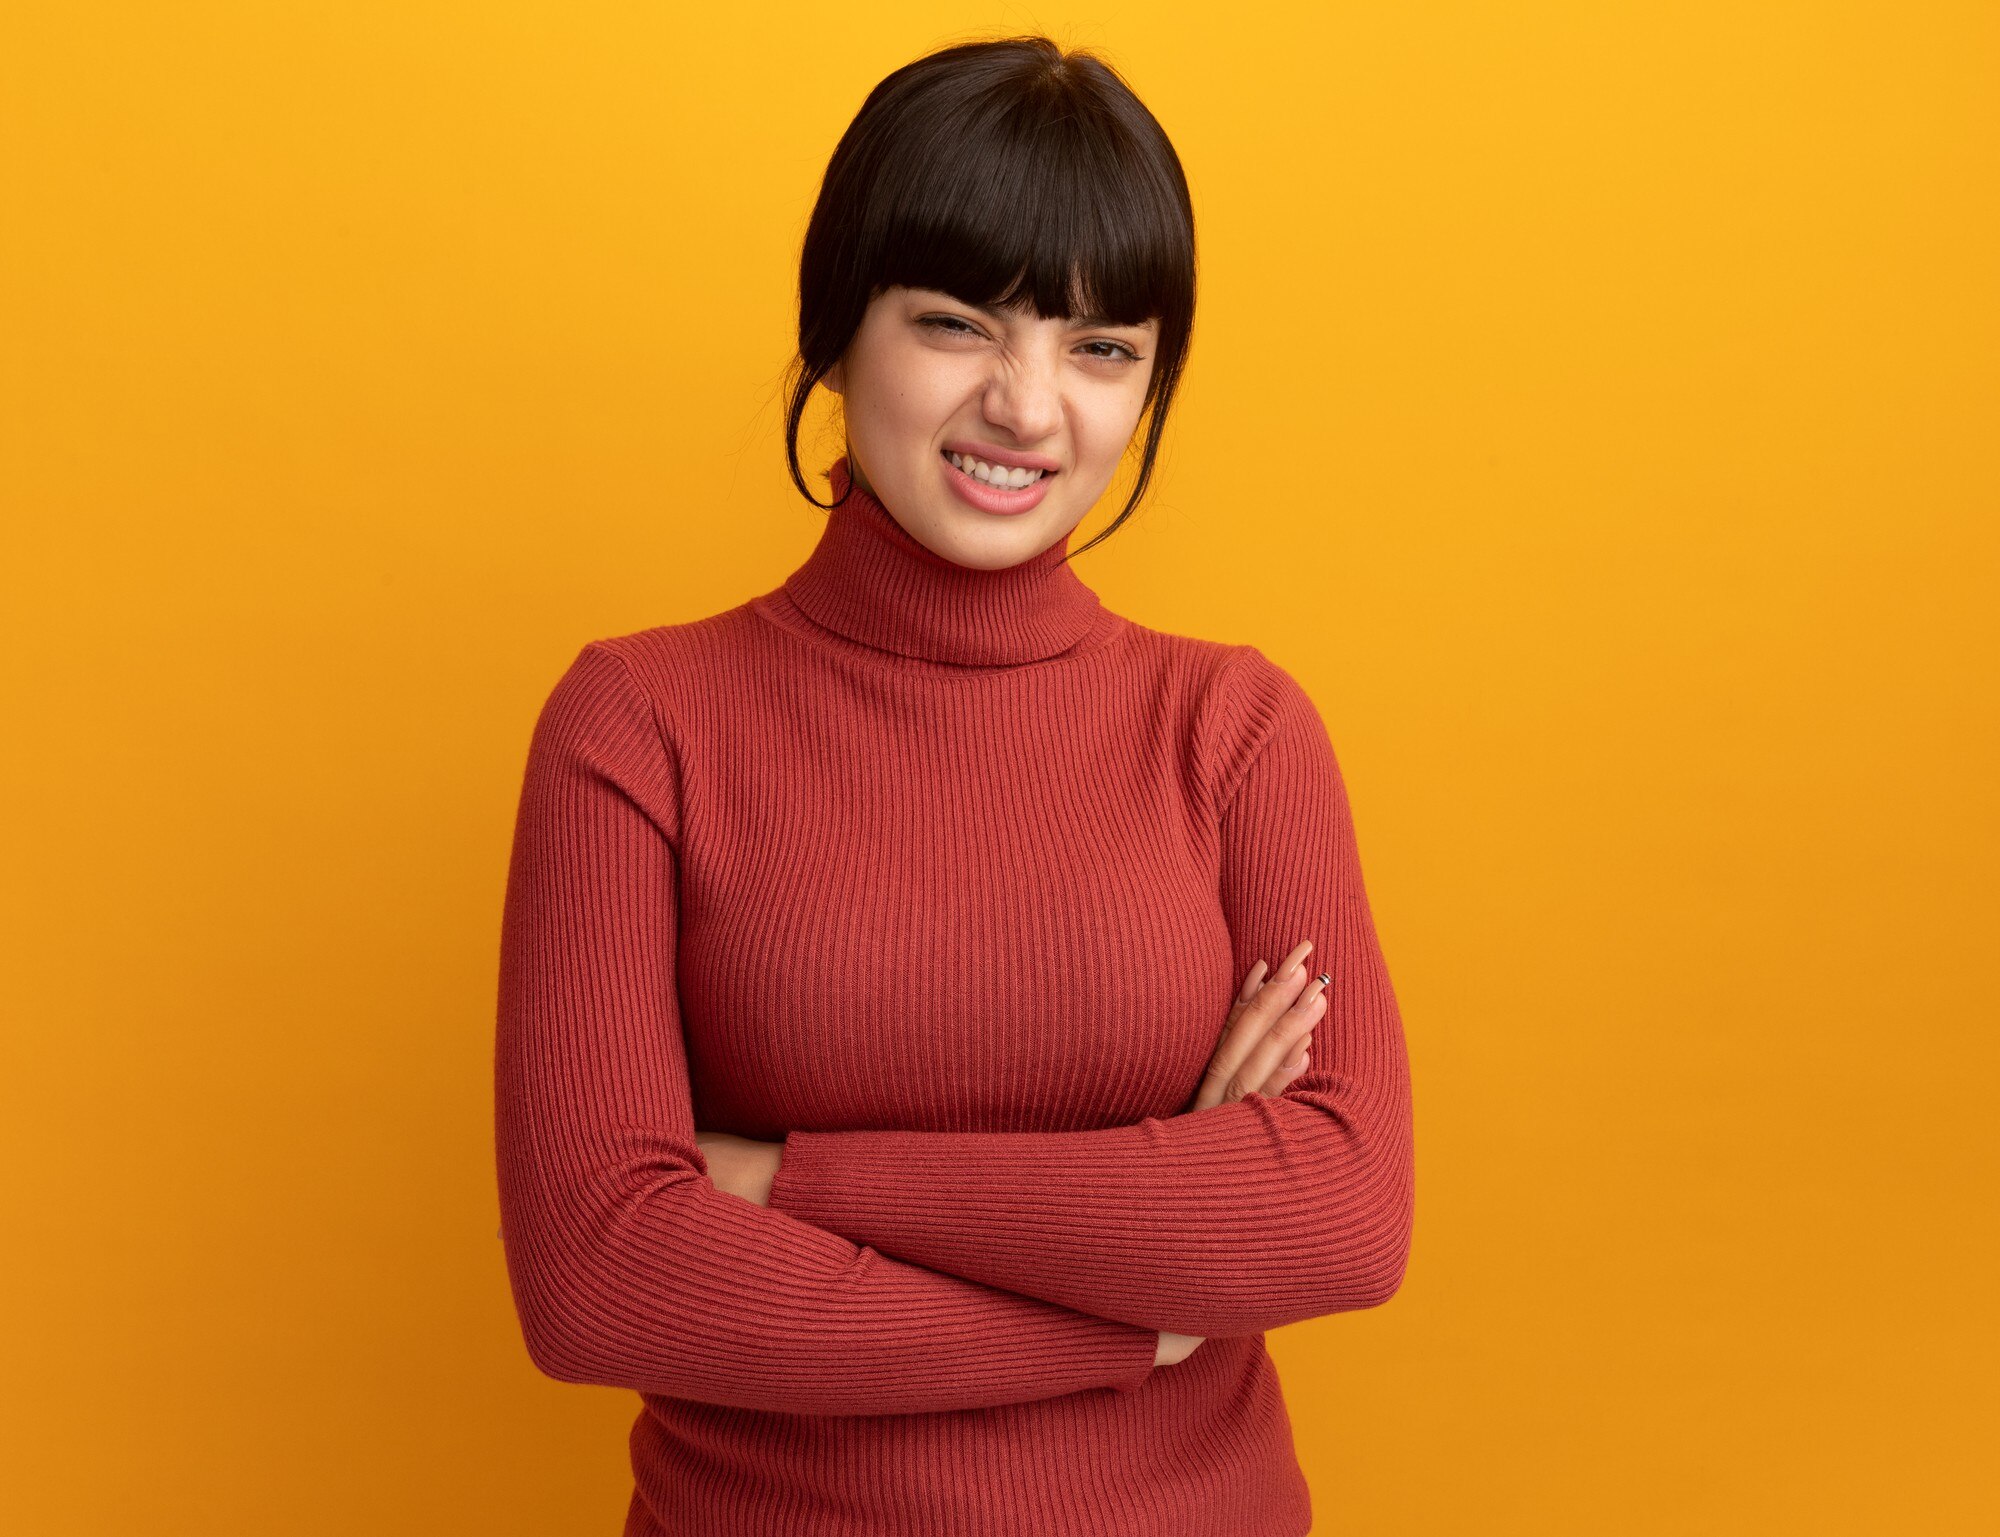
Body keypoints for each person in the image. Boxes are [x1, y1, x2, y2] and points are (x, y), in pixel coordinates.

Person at [494, 33, 1414, 1537]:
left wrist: (788, 1178)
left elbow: (1343, 1212)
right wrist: (1136, 1297)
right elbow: (602, 1276)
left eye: (1101, 348)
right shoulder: (640, 721)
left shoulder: (1234, 729)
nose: (1029, 407)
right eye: (957, 324)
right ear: (837, 330)